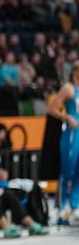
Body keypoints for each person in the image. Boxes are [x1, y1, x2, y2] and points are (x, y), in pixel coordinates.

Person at [48, 63, 79, 224]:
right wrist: (66, 117)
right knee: (67, 169)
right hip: (72, 134)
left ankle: (75, 206)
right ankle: (61, 208)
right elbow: (51, 107)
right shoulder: (69, 88)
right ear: (75, 71)